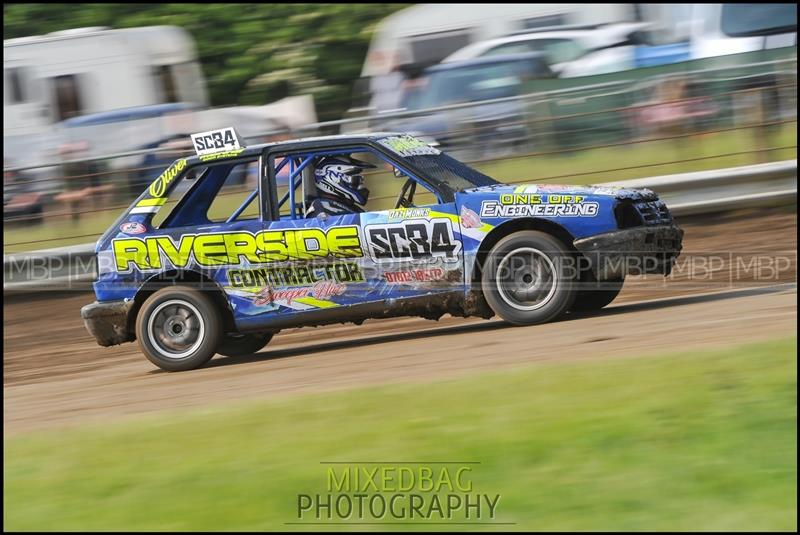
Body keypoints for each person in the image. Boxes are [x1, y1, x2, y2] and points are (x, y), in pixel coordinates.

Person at [305, 155, 375, 218]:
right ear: (333, 178)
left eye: (360, 181)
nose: (360, 186)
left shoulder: (341, 206)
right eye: (355, 180)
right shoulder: (323, 210)